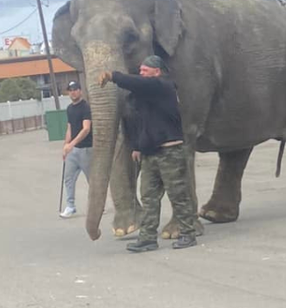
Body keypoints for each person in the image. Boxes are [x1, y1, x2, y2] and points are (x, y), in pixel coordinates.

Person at [97, 55, 197, 251]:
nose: (141, 73)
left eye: (145, 70)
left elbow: (134, 82)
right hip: (150, 153)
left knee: (177, 194)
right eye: (140, 70)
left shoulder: (162, 86)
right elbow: (140, 122)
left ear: (157, 72)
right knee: (148, 197)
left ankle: (188, 233)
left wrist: (113, 75)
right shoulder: (144, 96)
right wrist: (137, 147)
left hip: (170, 150)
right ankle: (148, 237)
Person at [60, 81, 92, 218]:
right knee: (68, 178)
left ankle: (96, 205)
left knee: (92, 180)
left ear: (80, 91)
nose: (73, 92)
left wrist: (72, 144)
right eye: (70, 90)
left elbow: (86, 129)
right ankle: (70, 206)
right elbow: (70, 128)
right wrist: (65, 146)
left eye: (75, 89)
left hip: (86, 149)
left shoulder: (85, 107)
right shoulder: (69, 109)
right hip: (73, 151)